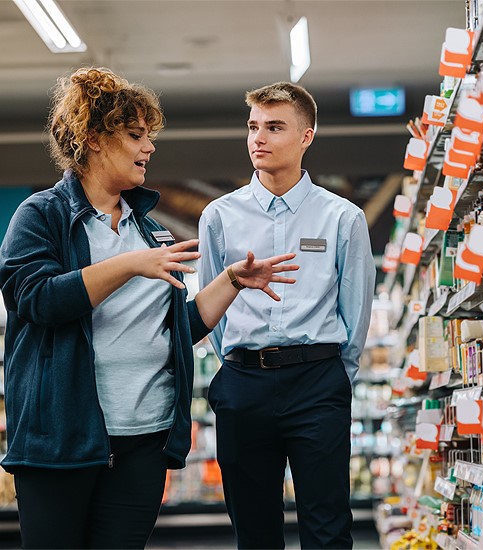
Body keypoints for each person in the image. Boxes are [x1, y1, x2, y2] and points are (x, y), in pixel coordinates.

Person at [0, 67, 299, 550]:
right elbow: (34, 299)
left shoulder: (147, 228)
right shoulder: (42, 215)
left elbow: (172, 329)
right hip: (63, 440)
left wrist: (230, 283)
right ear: (94, 139)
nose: (150, 148)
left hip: (144, 438)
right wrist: (128, 265)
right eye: (137, 135)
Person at [198, 81, 376, 549]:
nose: (259, 138)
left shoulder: (342, 218)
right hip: (243, 384)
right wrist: (237, 365)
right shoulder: (219, 216)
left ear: (306, 136)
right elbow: (210, 307)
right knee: (254, 531)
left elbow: (356, 311)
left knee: (328, 527)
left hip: (317, 382)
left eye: (274, 127)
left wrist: (337, 377)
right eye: (253, 126)